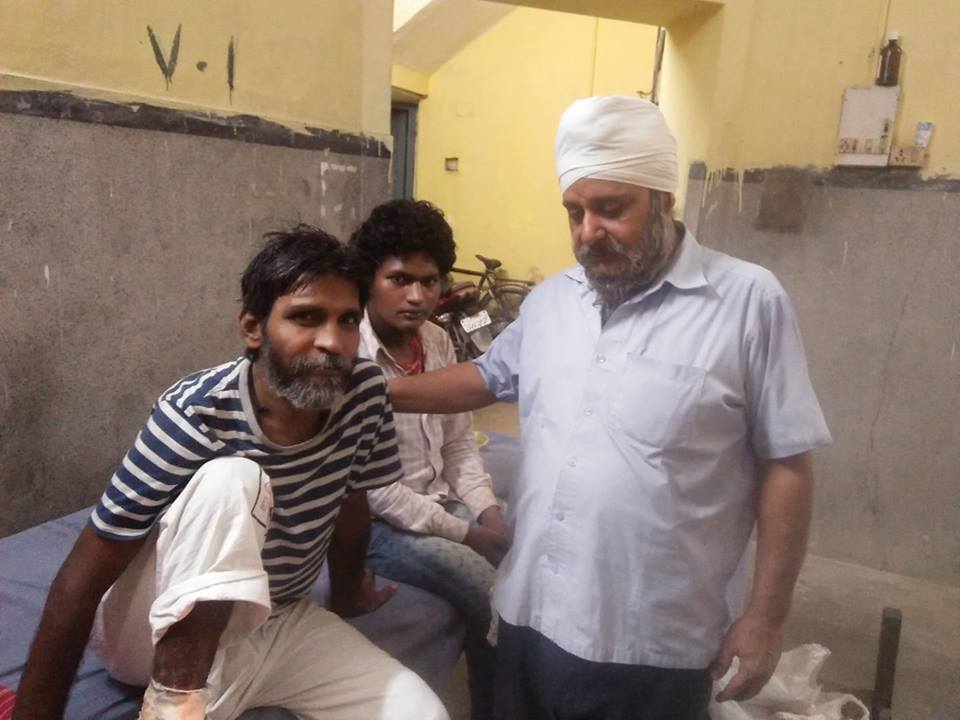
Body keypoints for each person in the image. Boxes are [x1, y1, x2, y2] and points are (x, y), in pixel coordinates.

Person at [388, 96, 832, 720]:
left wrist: (765, 616)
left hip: (649, 642)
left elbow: (787, 462)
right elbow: (485, 377)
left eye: (610, 209)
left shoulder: (747, 303)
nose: (587, 233)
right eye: (574, 212)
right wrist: (374, 391)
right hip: (528, 613)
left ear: (664, 201)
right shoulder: (552, 301)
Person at [13, 226, 449, 720]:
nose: (331, 342)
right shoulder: (195, 415)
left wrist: (349, 593)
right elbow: (82, 577)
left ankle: (211, 689)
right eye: (306, 317)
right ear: (253, 328)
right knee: (235, 479)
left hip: (276, 622)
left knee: (420, 712)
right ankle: (174, 699)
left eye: (347, 320)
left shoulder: (364, 393)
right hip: (153, 636)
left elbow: (349, 501)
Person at [350, 199, 509, 720]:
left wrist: (486, 509)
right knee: (493, 594)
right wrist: (469, 535)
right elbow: (373, 490)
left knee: (528, 565)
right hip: (375, 525)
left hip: (436, 502)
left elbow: (460, 441)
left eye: (430, 281)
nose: (417, 296)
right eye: (399, 279)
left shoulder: (438, 342)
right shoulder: (349, 356)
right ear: (368, 278)